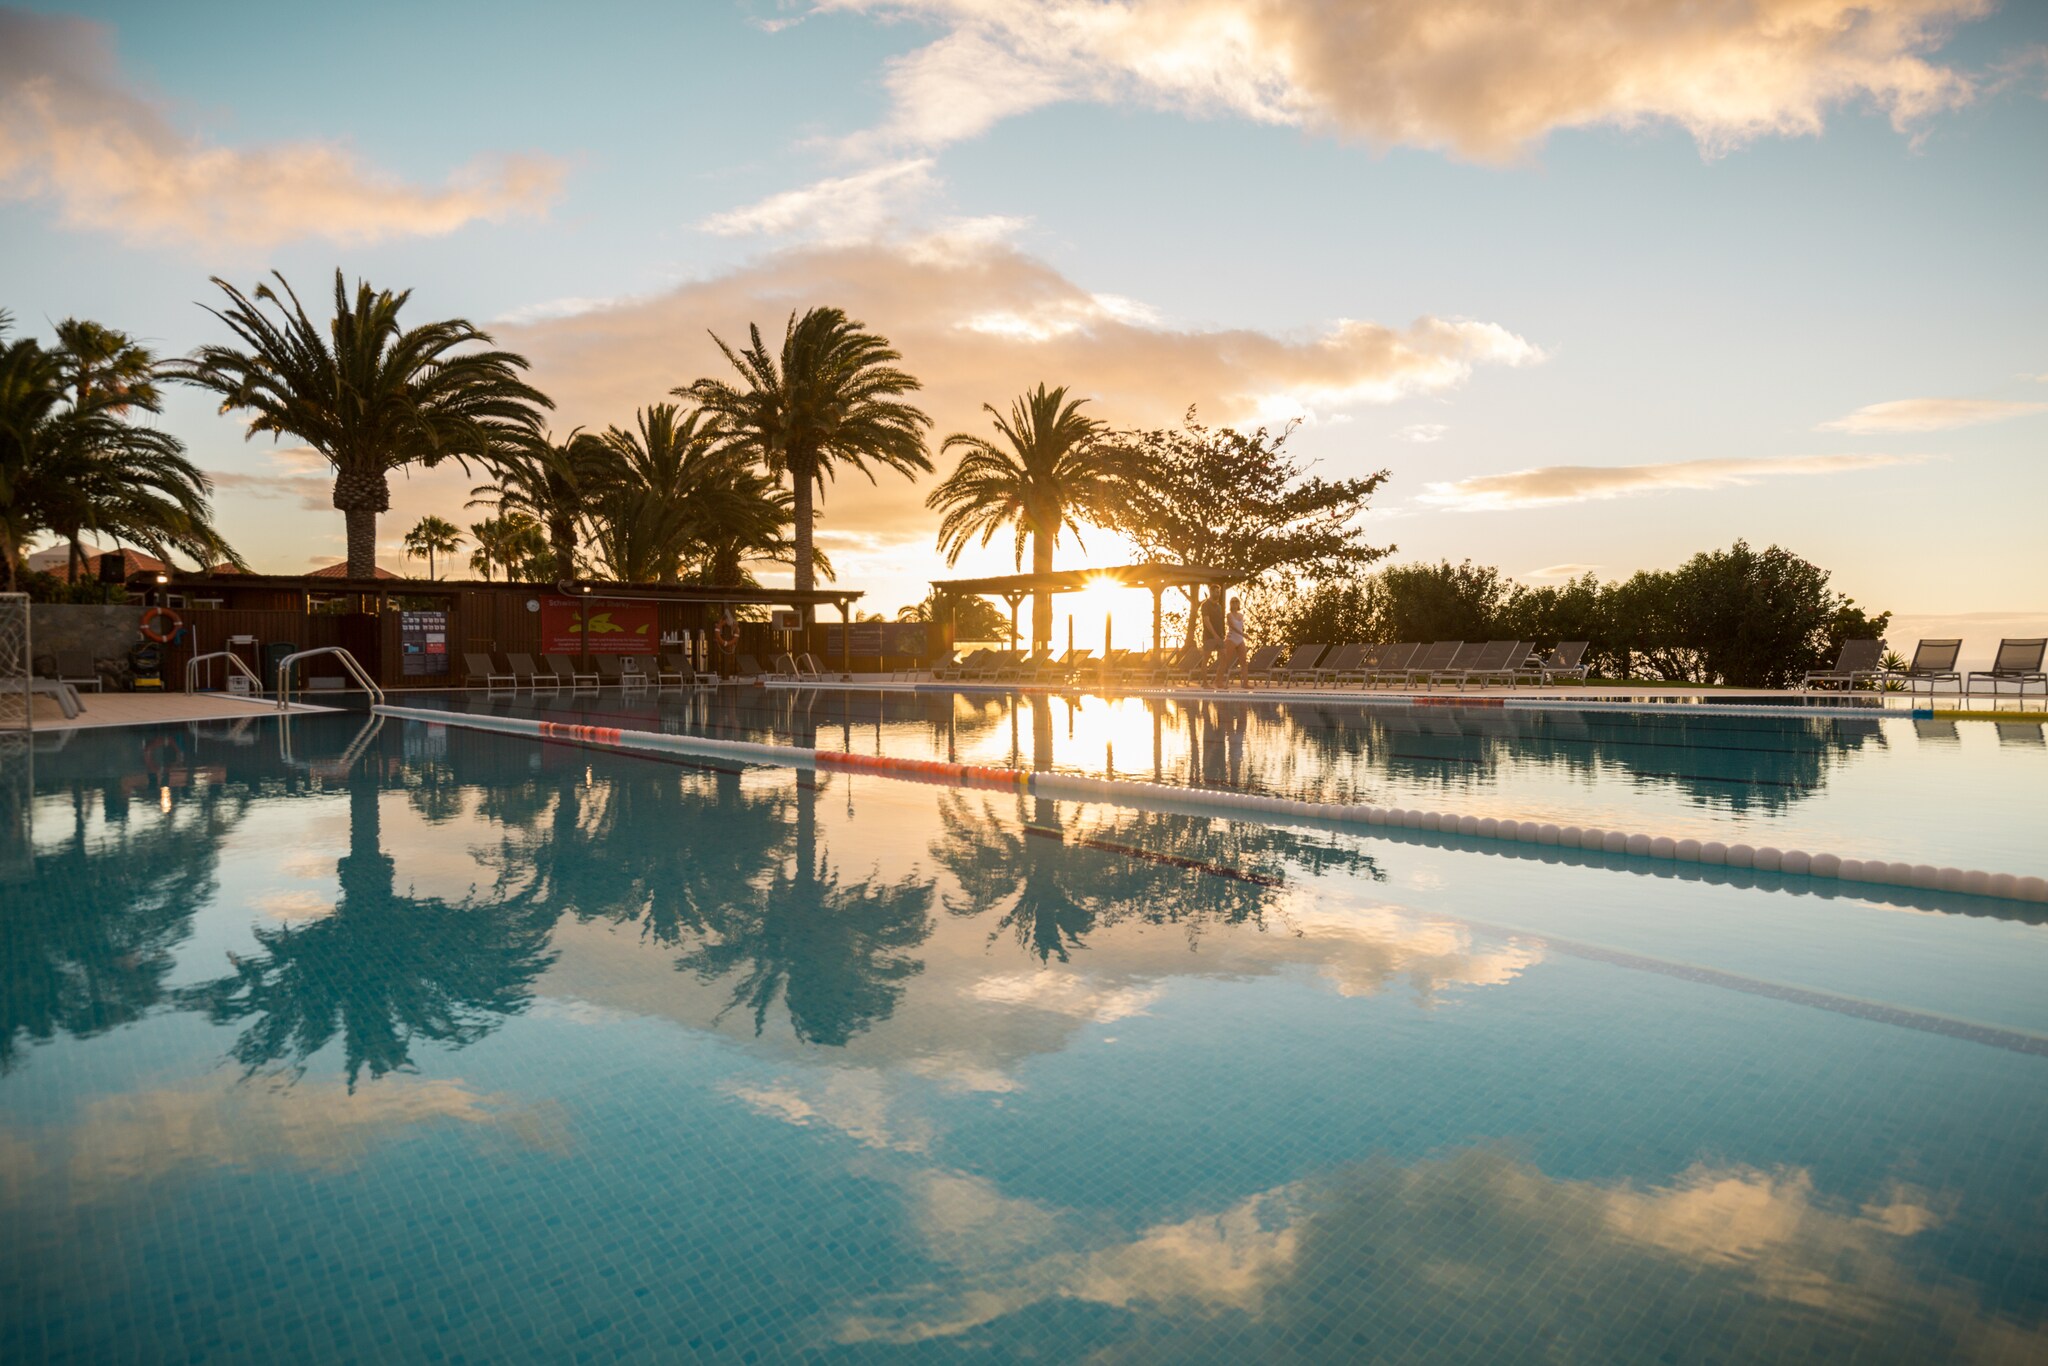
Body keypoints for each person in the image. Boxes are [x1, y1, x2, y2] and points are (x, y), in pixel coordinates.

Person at [1213, 594, 1248, 688]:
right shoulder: (1229, 615)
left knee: (1244, 661)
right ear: (1230, 604)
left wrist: (1242, 635)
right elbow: (1232, 626)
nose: (1235, 603)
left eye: (1236, 601)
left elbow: (1240, 627)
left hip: (1240, 639)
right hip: (1231, 639)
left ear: (1238, 604)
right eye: (1232, 602)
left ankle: (1245, 683)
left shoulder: (1241, 615)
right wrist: (1243, 634)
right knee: (1225, 660)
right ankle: (1218, 681)